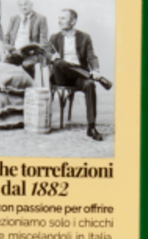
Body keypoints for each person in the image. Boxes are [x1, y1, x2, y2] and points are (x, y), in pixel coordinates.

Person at [47, 8, 111, 140]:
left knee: (90, 85)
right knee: (59, 63)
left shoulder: (85, 37)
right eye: (59, 18)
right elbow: (46, 53)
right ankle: (93, 77)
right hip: (61, 77)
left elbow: (91, 56)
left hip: (78, 76)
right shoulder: (54, 37)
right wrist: (51, 57)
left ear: (73, 21)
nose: (59, 21)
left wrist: (95, 70)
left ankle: (91, 127)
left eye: (63, 18)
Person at [4, 0, 49, 76]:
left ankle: (28, 83)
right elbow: (7, 37)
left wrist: (35, 50)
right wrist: (8, 49)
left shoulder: (40, 18)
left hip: (32, 53)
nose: (23, 7)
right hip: (15, 52)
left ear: (31, 4)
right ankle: (13, 84)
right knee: (6, 64)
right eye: (20, 5)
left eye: (26, 4)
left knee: (27, 65)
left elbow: (44, 42)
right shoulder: (14, 19)